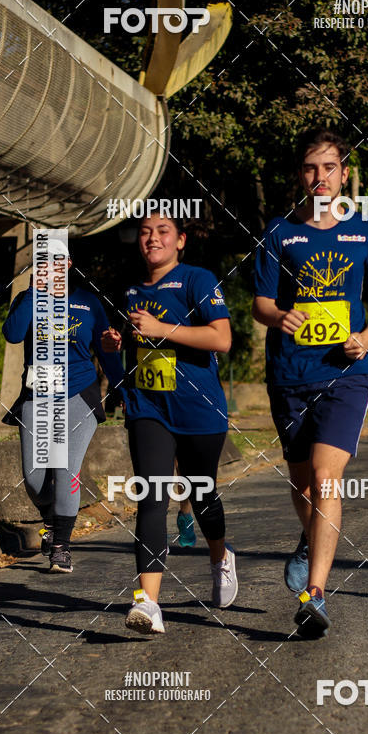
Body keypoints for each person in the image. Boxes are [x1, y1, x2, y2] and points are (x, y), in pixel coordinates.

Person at [252, 127, 368, 638]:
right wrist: (280, 316)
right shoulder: (280, 232)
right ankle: (309, 538)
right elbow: (261, 304)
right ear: (302, 174)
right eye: (311, 168)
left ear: (344, 174)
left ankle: (315, 594)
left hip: (345, 374)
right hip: (290, 374)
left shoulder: (367, 234)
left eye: (329, 167)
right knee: (303, 483)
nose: (320, 177)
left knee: (324, 474)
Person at [101, 214, 236, 635]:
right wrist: (115, 344)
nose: (152, 239)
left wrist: (163, 329)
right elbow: (127, 342)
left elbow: (222, 339)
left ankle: (220, 557)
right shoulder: (130, 289)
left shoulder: (198, 279)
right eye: (145, 233)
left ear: (180, 241)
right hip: (148, 408)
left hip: (198, 409)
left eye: (162, 232)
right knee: (152, 496)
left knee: (202, 491)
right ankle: (149, 604)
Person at [2, 242, 125, 573]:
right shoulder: (29, 299)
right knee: (34, 479)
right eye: (42, 262)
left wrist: (122, 388)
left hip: (79, 394)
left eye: (56, 261)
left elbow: (107, 349)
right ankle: (50, 518)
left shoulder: (88, 302)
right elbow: (13, 335)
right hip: (38, 393)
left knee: (66, 470)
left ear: (69, 263)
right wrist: (33, 292)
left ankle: (61, 548)